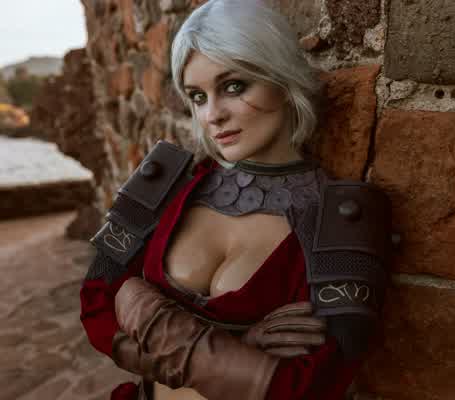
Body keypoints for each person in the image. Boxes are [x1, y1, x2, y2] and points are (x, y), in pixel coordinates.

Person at [79, 1, 392, 399]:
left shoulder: (342, 221)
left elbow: (314, 384)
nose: (212, 115)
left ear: (281, 77)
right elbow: (97, 302)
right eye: (197, 96)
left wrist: (140, 306)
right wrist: (236, 350)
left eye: (233, 87)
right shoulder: (167, 184)